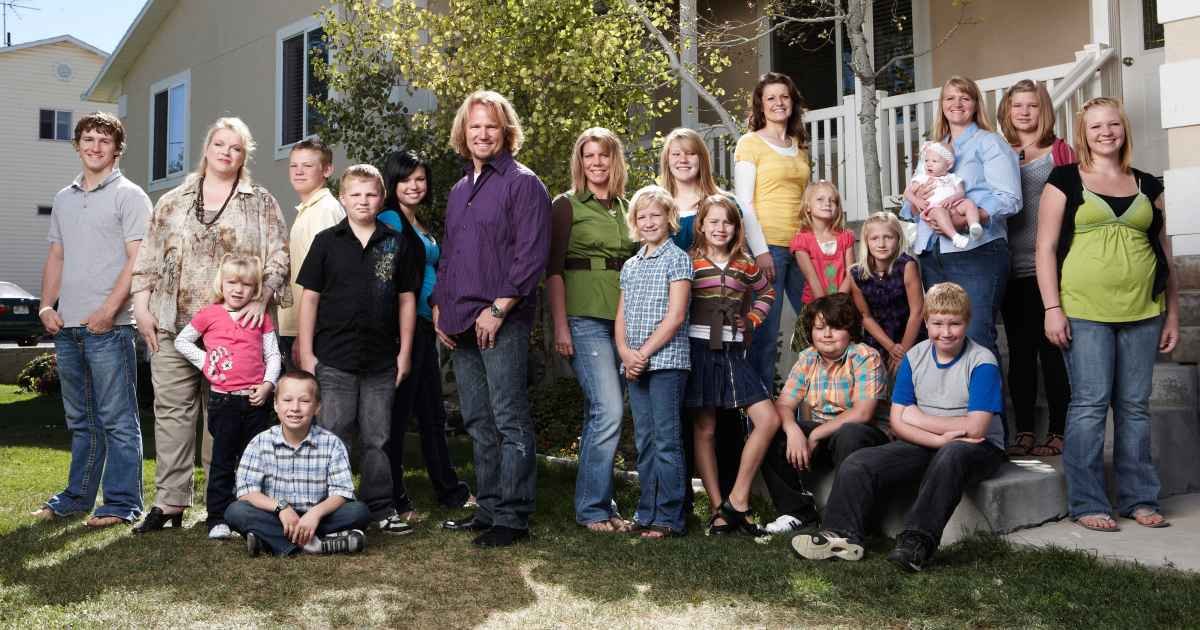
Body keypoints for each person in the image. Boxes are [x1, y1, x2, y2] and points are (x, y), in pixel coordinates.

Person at [131, 117, 290, 533]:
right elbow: (147, 259)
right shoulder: (173, 201)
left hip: (237, 331)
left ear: (243, 156)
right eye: (220, 144)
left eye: (236, 148)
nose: (226, 152)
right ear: (206, 148)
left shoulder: (260, 202)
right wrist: (141, 307)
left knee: (226, 418)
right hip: (174, 323)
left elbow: (280, 256)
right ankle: (170, 503)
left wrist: (263, 296)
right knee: (172, 412)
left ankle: (226, 503)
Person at [791, 283, 1006, 572]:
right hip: (927, 442)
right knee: (858, 462)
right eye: (938, 323)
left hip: (977, 448)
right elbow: (897, 422)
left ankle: (915, 544)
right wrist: (937, 436)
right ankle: (841, 536)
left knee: (952, 454)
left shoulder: (982, 361)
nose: (945, 332)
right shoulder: (915, 357)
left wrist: (917, 417)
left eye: (954, 324)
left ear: (967, 322)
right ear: (926, 322)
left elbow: (976, 428)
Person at [1035, 97, 1178, 531]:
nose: (1105, 132)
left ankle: (1139, 499)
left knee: (1135, 407)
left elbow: (1165, 253)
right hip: (1083, 309)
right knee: (1090, 405)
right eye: (1096, 126)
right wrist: (1052, 308)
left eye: (1113, 124)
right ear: (1084, 133)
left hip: (1143, 309)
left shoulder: (1148, 184)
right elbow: (1044, 248)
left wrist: (1171, 314)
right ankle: (1088, 502)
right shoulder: (1064, 178)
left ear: (1124, 129)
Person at [431, 91, 551, 547]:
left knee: (509, 419)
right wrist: (440, 306)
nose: (482, 134)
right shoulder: (460, 190)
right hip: (460, 320)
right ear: (464, 133)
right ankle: (488, 508)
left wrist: (498, 309)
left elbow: (531, 255)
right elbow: (450, 256)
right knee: (478, 420)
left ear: (506, 132)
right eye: (475, 126)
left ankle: (513, 517)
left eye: (491, 126)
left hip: (502, 319)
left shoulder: (523, 183)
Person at [32, 112, 151, 528]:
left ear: (117, 149)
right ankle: (77, 497)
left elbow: (138, 260)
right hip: (68, 328)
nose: (95, 146)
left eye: (104, 140)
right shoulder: (64, 198)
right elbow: (57, 255)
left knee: (118, 420)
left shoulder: (130, 196)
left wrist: (108, 311)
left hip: (110, 329)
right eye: (88, 139)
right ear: (77, 145)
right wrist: (46, 306)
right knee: (82, 420)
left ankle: (122, 503)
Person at [296, 164, 419, 536]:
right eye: (355, 194)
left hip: (381, 360)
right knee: (332, 434)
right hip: (333, 358)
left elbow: (407, 300)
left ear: (381, 199)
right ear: (343, 198)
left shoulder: (395, 243)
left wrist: (404, 353)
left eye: (370, 194)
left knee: (377, 438)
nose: (363, 201)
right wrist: (307, 353)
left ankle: (380, 507)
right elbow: (310, 299)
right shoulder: (326, 242)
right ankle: (327, 507)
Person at [659, 126, 765, 506]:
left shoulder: (721, 203)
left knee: (724, 413)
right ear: (667, 161)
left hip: (722, 328)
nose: (683, 160)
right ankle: (683, 499)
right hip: (676, 324)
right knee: (685, 413)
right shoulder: (662, 206)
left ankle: (731, 499)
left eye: (690, 153)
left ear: (701, 158)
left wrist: (748, 318)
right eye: (675, 154)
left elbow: (747, 270)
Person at [546, 128, 637, 532]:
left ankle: (600, 503)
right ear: (579, 162)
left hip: (623, 320)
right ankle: (592, 510)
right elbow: (553, 271)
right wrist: (560, 326)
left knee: (600, 413)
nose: (596, 163)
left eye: (603, 155)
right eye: (588, 156)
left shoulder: (628, 208)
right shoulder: (565, 205)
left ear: (614, 160)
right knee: (609, 409)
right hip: (583, 318)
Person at [377, 150, 473, 518]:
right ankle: (395, 499)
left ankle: (449, 491)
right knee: (398, 417)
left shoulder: (418, 222)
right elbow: (394, 277)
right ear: (393, 183)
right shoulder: (390, 219)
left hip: (424, 327)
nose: (414, 186)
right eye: (406, 179)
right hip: (403, 329)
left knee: (432, 413)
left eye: (420, 179)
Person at [902, 76, 1021, 362]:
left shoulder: (990, 143)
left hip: (977, 252)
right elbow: (908, 206)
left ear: (976, 104)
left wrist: (965, 220)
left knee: (976, 336)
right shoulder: (933, 148)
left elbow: (1010, 198)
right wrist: (919, 204)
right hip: (932, 253)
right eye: (950, 98)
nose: (957, 104)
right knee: (943, 341)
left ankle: (984, 394)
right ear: (942, 105)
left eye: (964, 98)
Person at [684, 195, 780, 536]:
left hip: (733, 351)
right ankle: (717, 510)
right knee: (706, 429)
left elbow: (767, 294)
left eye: (727, 222)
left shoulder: (745, 263)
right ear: (701, 226)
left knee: (768, 419)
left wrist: (751, 319)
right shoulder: (689, 262)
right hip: (698, 348)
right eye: (713, 221)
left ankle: (737, 499)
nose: (720, 228)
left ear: (737, 228)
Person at [759, 293, 889, 535]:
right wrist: (793, 430)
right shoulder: (807, 358)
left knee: (850, 433)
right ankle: (798, 512)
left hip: (865, 436)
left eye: (836, 327)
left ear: (850, 331)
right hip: (824, 436)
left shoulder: (865, 356)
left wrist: (815, 434)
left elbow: (863, 412)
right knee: (771, 429)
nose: (827, 334)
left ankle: (846, 521)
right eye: (820, 328)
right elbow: (784, 404)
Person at [174, 255, 282, 539]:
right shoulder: (209, 314)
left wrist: (268, 384)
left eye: (246, 284)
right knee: (222, 461)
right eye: (232, 282)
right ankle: (218, 519)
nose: (238, 289)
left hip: (255, 402)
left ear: (255, 289)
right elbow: (182, 341)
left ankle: (254, 518)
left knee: (255, 463)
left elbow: (273, 355)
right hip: (224, 402)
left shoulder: (260, 317)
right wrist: (207, 363)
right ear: (221, 284)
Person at [997, 79, 1075, 457]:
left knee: (1053, 351)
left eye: (1032, 105)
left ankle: (1058, 430)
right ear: (1007, 112)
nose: (1024, 112)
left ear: (1043, 110)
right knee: (1020, 354)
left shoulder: (1059, 152)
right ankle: (1025, 430)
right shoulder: (998, 152)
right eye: (1017, 106)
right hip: (1009, 269)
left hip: (1051, 268)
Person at [616, 186, 693, 539]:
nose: (648, 222)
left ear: (669, 218)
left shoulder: (677, 259)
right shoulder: (630, 266)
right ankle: (645, 511)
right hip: (634, 364)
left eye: (655, 215)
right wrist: (625, 352)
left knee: (666, 441)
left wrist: (642, 354)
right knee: (644, 440)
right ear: (634, 222)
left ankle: (670, 517)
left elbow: (675, 317)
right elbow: (621, 316)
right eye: (642, 216)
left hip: (666, 363)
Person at [226, 370, 371, 556]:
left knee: (359, 512)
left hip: (318, 517)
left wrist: (315, 514)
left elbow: (342, 492)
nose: (295, 408)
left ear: (317, 407)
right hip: (276, 515)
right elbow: (247, 491)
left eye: (304, 401)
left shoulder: (332, 443)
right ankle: (315, 544)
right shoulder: (260, 442)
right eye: (287, 400)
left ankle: (269, 540)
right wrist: (281, 508)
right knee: (236, 511)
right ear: (276, 405)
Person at [735, 72, 812, 387]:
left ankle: (813, 400)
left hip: (802, 247)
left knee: (815, 323)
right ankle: (758, 407)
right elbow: (744, 202)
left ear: (792, 102)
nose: (779, 103)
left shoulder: (799, 146)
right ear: (761, 105)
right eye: (771, 98)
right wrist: (761, 251)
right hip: (769, 247)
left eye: (784, 96)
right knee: (765, 334)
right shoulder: (750, 143)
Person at [277, 138, 345, 371]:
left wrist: (305, 336)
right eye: (294, 165)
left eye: (307, 166)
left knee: (309, 393)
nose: (298, 171)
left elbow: (328, 277)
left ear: (327, 170)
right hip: (297, 326)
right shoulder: (309, 210)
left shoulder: (325, 211)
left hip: (310, 332)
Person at [849, 212, 924, 373]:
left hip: (910, 336)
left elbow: (917, 312)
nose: (881, 244)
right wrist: (890, 347)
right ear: (866, 242)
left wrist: (902, 352)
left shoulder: (907, 266)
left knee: (905, 374)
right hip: (879, 339)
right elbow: (865, 317)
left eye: (888, 237)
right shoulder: (856, 274)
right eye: (874, 238)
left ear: (898, 239)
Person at [791, 180, 855, 305]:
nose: (827, 203)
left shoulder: (846, 237)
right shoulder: (801, 241)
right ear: (808, 207)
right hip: (816, 304)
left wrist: (838, 303)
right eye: (820, 199)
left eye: (832, 200)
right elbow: (812, 279)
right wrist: (826, 308)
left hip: (843, 303)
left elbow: (851, 274)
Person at [908, 142, 977, 248]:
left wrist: (952, 198)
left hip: (953, 206)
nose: (929, 164)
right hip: (933, 208)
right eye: (926, 160)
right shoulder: (922, 178)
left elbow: (961, 192)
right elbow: (907, 192)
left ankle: (974, 226)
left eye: (934, 161)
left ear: (948, 165)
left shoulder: (952, 177)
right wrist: (917, 201)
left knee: (968, 203)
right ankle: (955, 237)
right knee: (939, 212)